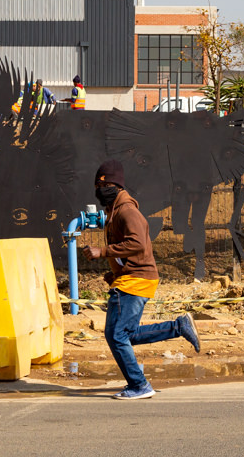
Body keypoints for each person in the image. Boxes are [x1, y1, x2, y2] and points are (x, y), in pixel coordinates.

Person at [82, 159, 200, 399]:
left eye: (101, 185)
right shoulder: (116, 210)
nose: (98, 191)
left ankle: (139, 385)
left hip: (135, 280)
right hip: (131, 278)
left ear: (113, 185)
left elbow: (137, 243)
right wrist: (113, 272)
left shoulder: (127, 211)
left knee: (117, 336)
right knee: (125, 334)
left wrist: (102, 252)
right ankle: (179, 326)